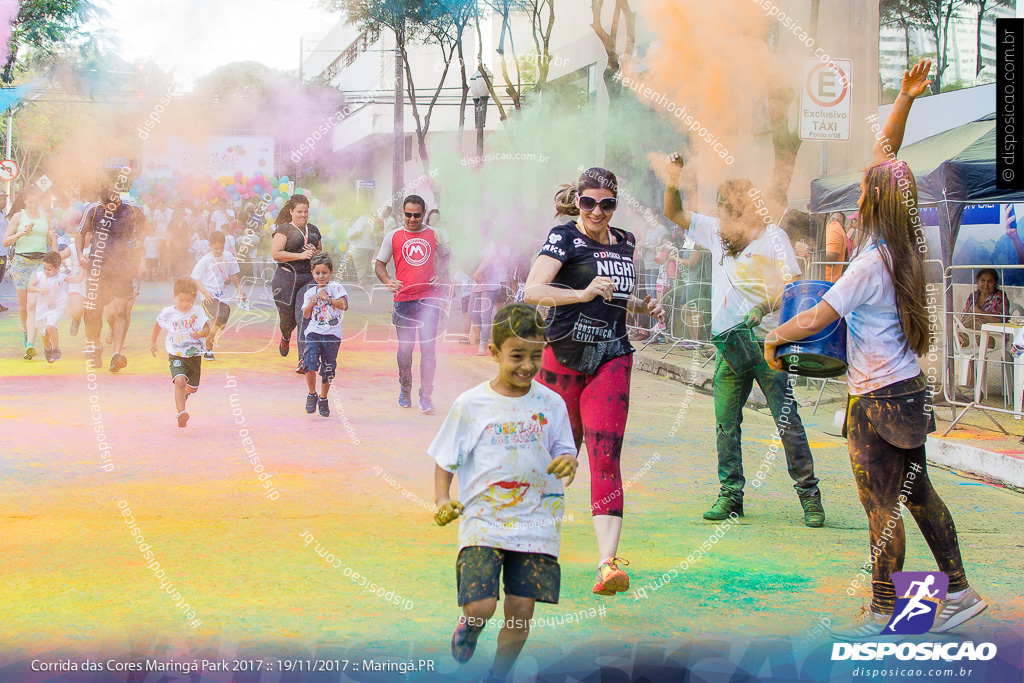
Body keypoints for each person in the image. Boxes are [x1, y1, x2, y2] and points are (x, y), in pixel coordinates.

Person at [766, 59, 986, 639]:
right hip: (906, 391)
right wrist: (906, 99)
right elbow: (887, 154)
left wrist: (775, 335)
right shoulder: (901, 247)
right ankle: (957, 593)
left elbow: (816, 315)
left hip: (878, 400)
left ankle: (890, 610)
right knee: (918, 496)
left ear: (874, 202)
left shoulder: (867, 263)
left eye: (864, 189)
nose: (858, 191)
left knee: (882, 507)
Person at [523, 167, 664, 596]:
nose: (598, 211)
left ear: (615, 204)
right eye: (589, 203)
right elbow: (532, 290)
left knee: (607, 456)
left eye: (607, 204)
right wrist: (582, 294)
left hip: (611, 358)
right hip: (561, 360)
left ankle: (607, 564)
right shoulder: (563, 237)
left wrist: (643, 306)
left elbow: (615, 297)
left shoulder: (626, 241)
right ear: (578, 202)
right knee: (555, 462)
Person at [663, 156, 825, 527]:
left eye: (727, 206)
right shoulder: (716, 231)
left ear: (747, 207)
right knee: (726, 423)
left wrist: (765, 306)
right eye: (720, 206)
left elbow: (793, 287)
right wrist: (673, 178)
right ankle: (730, 495)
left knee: (787, 421)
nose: (721, 213)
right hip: (728, 347)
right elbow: (673, 210)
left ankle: (809, 496)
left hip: (768, 345)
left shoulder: (775, 239)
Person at [430, 302, 578, 683]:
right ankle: (471, 626)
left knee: (520, 610)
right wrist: (442, 499)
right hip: (484, 520)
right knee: (481, 605)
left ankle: (498, 675)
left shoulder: (552, 403)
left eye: (535, 355)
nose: (527, 366)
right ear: (494, 353)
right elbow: (446, 457)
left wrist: (568, 462)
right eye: (517, 356)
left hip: (537, 521)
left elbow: (565, 448)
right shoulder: (471, 404)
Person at [375, 195, 450, 414]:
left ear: (424, 213)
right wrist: (388, 280)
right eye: (408, 214)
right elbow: (380, 264)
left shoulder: (434, 235)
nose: (412, 219)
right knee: (405, 350)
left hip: (429, 300)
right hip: (404, 301)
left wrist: (442, 276)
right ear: (402, 212)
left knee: (428, 350)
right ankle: (405, 388)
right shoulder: (393, 235)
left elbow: (448, 258)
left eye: (417, 215)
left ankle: (426, 396)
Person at [78, 188, 147, 372]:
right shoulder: (92, 210)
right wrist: (80, 255)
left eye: (115, 206)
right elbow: (80, 233)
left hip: (123, 268)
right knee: (93, 312)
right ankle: (97, 346)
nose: (112, 209)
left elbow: (145, 226)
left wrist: (140, 240)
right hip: (98, 268)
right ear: (101, 204)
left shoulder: (132, 209)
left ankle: (116, 354)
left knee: (121, 311)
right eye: (107, 207)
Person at [150, 277, 211, 429]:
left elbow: (207, 329)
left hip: (194, 355)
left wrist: (200, 333)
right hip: (176, 354)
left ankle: (185, 394)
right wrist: (153, 342)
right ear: (174, 297)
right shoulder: (168, 313)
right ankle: (181, 413)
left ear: (194, 298)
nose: (184, 304)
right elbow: (158, 324)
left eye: (188, 301)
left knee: (193, 388)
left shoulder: (198, 311)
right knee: (179, 382)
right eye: (181, 300)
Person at [270, 194, 322, 373]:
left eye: (306, 212)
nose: (303, 215)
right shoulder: (284, 229)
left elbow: (321, 255)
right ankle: (285, 336)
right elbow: (276, 254)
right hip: (285, 280)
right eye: (299, 212)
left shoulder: (313, 230)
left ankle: (303, 359)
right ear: (291, 211)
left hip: (307, 279)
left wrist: (315, 253)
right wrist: (300, 255)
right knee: (288, 320)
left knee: (304, 317)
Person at [3, 188, 54, 356]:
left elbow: (49, 239)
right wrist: (20, 233)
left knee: (35, 303)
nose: (34, 205)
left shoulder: (45, 217)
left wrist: (52, 238)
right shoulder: (19, 217)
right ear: (24, 201)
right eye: (30, 202)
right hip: (21, 263)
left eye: (37, 201)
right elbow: (5, 241)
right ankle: (26, 332)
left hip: (40, 263)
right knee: (24, 305)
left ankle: (33, 341)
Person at [301, 252, 349, 417]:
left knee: (328, 369)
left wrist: (327, 299)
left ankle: (323, 398)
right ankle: (311, 394)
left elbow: (344, 305)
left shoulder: (336, 288)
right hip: (313, 333)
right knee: (309, 364)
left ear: (331, 272)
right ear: (312, 273)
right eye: (317, 273)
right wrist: (311, 304)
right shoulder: (309, 293)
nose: (321, 276)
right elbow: (306, 315)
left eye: (324, 273)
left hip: (332, 335)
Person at [191, 230, 247, 361]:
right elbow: (195, 279)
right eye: (216, 248)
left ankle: (202, 333)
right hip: (209, 294)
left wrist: (239, 290)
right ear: (210, 245)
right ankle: (208, 350)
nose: (218, 251)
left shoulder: (228, 256)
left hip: (224, 294)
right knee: (216, 319)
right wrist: (205, 292)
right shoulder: (205, 260)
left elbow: (234, 273)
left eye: (221, 248)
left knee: (221, 323)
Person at [26, 251, 85, 363]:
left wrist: (84, 268)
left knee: (50, 326)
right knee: (44, 333)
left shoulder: (61, 277)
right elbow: (30, 287)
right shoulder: (39, 276)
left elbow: (77, 280)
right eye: (44, 268)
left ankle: (56, 349)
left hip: (55, 308)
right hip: (42, 309)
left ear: (57, 268)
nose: (46, 271)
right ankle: (47, 349)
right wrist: (39, 290)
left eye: (49, 269)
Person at [471, 221, 509, 356]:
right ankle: (488, 335)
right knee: (473, 314)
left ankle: (482, 345)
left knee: (484, 315)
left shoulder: (492, 244)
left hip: (491, 284)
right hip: (477, 285)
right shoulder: (477, 244)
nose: (478, 231)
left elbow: (489, 258)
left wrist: (478, 272)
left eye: (480, 228)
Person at [958, 268, 1009, 348]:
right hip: (972, 334)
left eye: (990, 281)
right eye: (983, 280)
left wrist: (979, 312)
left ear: (995, 283)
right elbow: (964, 316)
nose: (986, 284)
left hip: (993, 336)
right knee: (959, 335)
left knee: (976, 322)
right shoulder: (973, 296)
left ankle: (966, 347)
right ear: (978, 281)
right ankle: (963, 342)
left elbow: (999, 320)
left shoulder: (999, 297)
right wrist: (959, 331)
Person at [347, 213, 377, 288]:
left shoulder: (361, 219)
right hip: (365, 245)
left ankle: (362, 284)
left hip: (359, 246)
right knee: (362, 266)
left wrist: (350, 237)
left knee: (360, 266)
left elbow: (358, 232)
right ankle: (362, 283)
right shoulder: (367, 219)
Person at [824, 211, 848, 282]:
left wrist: (809, 250)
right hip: (825, 279)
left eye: (838, 220)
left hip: (827, 281)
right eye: (833, 219)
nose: (835, 221)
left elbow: (832, 258)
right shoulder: (831, 229)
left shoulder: (835, 230)